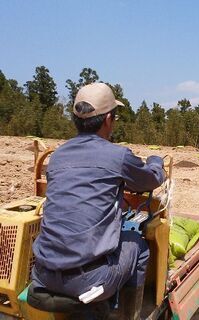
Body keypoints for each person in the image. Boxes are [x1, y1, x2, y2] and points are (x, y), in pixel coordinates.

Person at [31, 83, 165, 319]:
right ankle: (130, 314)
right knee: (137, 244)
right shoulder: (117, 156)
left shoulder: (58, 156)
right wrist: (156, 161)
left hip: (43, 273)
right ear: (109, 120)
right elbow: (150, 180)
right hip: (87, 280)